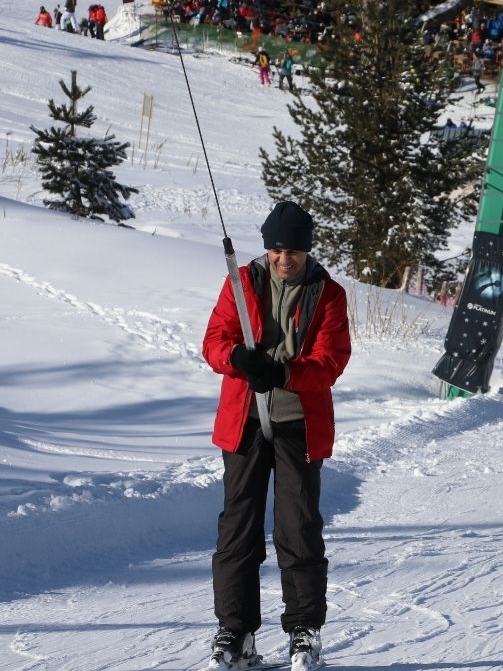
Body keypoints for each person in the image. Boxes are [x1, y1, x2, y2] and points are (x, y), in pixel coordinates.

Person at [200, 201, 351, 671]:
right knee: (238, 528)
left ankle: (304, 631)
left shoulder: (328, 294)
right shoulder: (242, 283)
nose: (285, 258)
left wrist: (281, 372)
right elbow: (214, 341)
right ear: (267, 248)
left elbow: (330, 361)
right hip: (244, 421)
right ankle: (236, 631)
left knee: (298, 526)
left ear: (308, 250)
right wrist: (237, 360)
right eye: (277, 249)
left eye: (295, 251)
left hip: (297, 424)